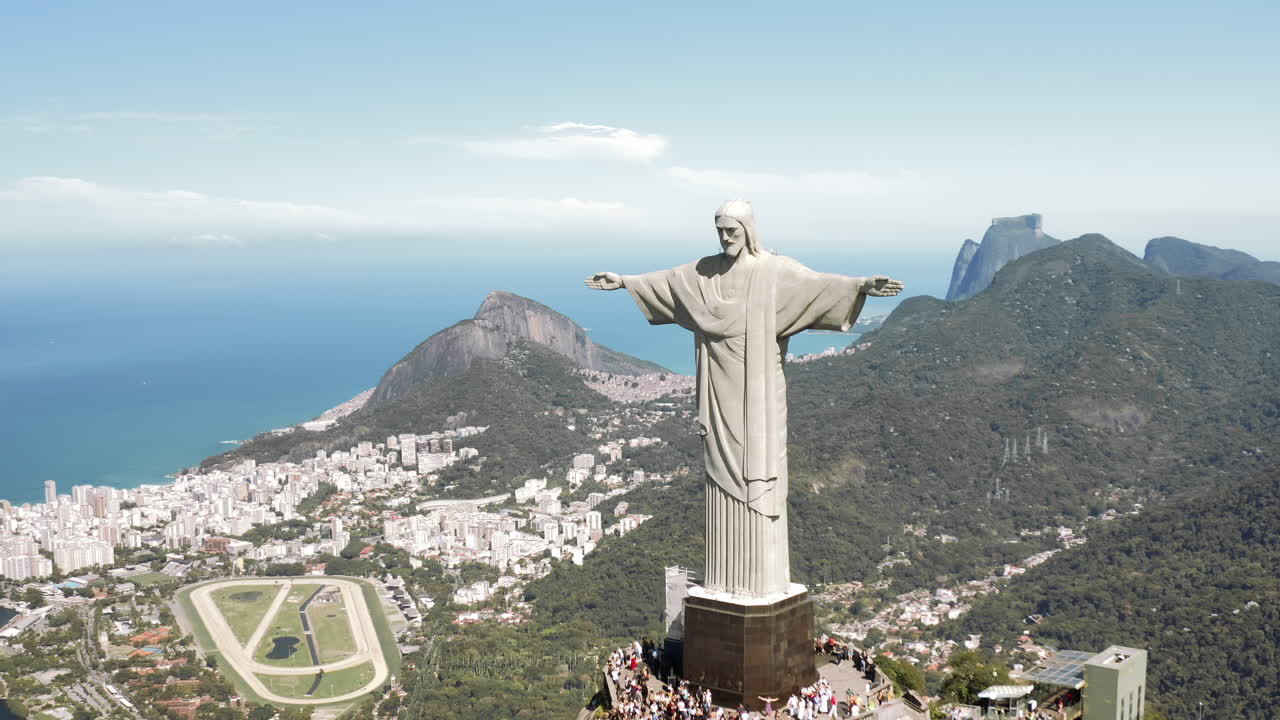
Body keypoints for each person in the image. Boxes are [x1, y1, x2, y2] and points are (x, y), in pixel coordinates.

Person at [586, 200, 903, 596]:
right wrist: (624, 281)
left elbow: (818, 285)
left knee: (761, 465)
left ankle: (760, 582)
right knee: (719, 470)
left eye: (731, 231)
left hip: (759, 392)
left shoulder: (773, 271)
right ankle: (724, 580)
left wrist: (861, 286)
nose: (725, 238)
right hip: (717, 389)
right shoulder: (704, 273)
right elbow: (668, 282)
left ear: (749, 229)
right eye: (719, 230)